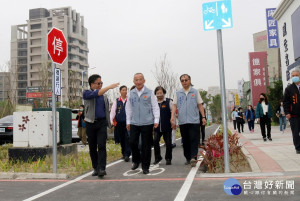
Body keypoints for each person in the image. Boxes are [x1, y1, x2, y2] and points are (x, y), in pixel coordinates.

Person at [83, 74, 119, 178]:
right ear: (92, 84)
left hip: (102, 123)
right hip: (90, 123)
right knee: (92, 147)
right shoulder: (86, 93)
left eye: (101, 83)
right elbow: (96, 94)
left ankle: (102, 168)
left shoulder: (104, 96)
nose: (100, 85)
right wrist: (108, 87)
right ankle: (95, 167)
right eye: (98, 83)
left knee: (102, 145)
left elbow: (106, 110)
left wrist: (109, 121)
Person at [125, 73, 160, 174]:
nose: (138, 82)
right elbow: (128, 108)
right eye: (136, 80)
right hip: (134, 122)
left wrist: (156, 120)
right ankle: (136, 160)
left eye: (140, 79)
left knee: (146, 145)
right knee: (132, 142)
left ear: (144, 80)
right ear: (133, 81)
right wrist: (128, 121)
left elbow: (155, 107)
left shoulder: (149, 92)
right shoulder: (131, 93)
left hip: (147, 122)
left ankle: (145, 166)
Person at [171, 74, 206, 167]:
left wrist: (203, 117)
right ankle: (187, 157)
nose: (184, 82)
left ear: (190, 80)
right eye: (182, 81)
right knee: (185, 141)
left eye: (186, 80)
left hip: (194, 120)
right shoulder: (178, 93)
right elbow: (174, 105)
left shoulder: (195, 92)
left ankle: (194, 157)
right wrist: (172, 117)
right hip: (182, 121)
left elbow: (200, 105)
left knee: (194, 139)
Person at [110, 85, 131, 162]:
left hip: (128, 123)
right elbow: (113, 111)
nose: (124, 91)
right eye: (123, 90)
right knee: (122, 139)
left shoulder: (129, 100)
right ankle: (124, 153)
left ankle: (127, 154)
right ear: (120, 91)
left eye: (126, 90)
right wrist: (111, 120)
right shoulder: (117, 101)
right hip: (119, 123)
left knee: (127, 138)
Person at [153, 86, 173, 165]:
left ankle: (168, 158)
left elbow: (173, 113)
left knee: (168, 143)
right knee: (155, 141)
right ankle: (157, 158)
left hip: (167, 126)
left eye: (161, 93)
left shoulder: (169, 102)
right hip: (157, 127)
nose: (159, 95)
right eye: (157, 93)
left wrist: (173, 122)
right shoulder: (153, 103)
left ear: (164, 93)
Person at [283, 69, 300, 154]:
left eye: (296, 75)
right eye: (293, 76)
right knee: (296, 133)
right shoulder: (289, 89)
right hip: (294, 115)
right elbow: (285, 102)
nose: (295, 77)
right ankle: (298, 148)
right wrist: (287, 113)